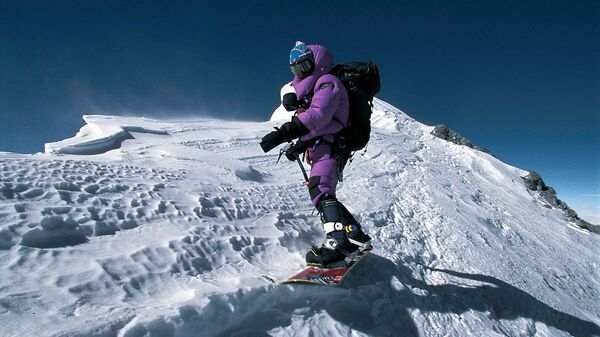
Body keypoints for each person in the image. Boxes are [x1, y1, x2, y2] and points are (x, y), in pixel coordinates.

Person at [260, 41, 372, 267]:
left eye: (303, 67)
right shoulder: (315, 89)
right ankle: (355, 235)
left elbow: (319, 116)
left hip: (331, 146)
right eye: (295, 70)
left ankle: (338, 244)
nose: (299, 73)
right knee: (323, 191)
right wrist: (299, 146)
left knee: (320, 189)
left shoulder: (327, 82)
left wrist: (285, 132)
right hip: (324, 145)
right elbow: (318, 126)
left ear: (316, 63)